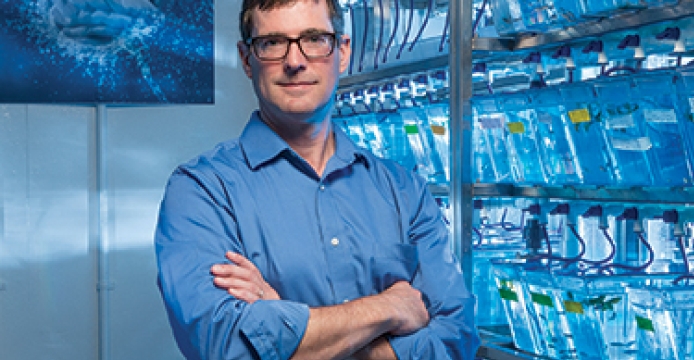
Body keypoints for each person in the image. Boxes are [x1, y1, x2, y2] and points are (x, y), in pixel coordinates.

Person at [154, 0, 480, 359]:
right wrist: (389, 308)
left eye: (314, 38)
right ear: (247, 60)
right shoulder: (201, 192)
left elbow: (457, 338)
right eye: (273, 43)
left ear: (342, 52)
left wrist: (285, 323)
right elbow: (226, 346)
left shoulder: (404, 190)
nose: (295, 61)